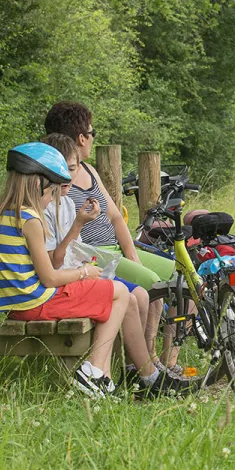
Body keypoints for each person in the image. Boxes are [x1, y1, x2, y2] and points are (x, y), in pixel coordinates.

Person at [0, 142, 189, 398]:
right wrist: (83, 274)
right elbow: (49, 277)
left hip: (19, 304)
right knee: (119, 292)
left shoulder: (0, 216)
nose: (49, 201)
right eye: (50, 193)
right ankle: (95, 372)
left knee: (116, 293)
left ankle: (116, 377)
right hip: (35, 303)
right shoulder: (30, 220)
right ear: (38, 185)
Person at [43, 102, 182, 378]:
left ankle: (169, 360)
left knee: (179, 275)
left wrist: (133, 255)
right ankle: (147, 362)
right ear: (81, 138)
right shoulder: (58, 182)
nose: (93, 138)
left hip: (116, 248)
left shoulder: (90, 171)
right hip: (94, 254)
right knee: (152, 284)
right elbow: (65, 247)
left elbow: (117, 218)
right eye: (92, 132)